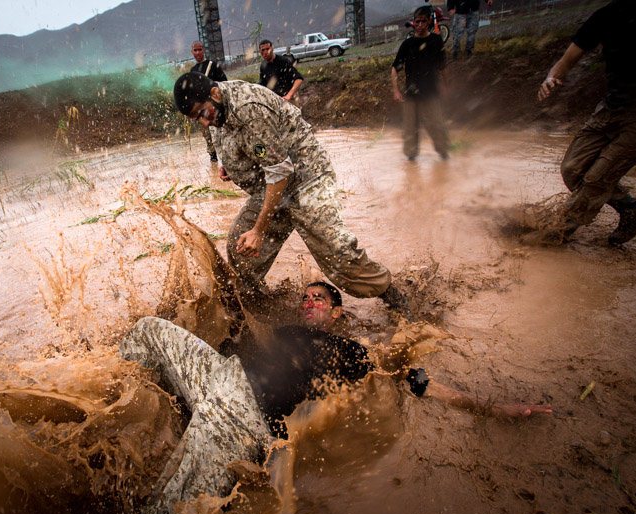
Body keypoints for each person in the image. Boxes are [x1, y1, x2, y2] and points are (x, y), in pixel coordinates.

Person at [119, 281, 552, 514]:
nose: (309, 301)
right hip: (218, 375)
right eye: (305, 297)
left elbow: (408, 377)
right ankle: (129, 408)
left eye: (319, 298)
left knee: (168, 505)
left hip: (242, 411)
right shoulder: (282, 332)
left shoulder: (349, 352)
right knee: (148, 329)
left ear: (337, 312)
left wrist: (491, 407)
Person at [173, 71, 409, 311]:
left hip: (306, 180)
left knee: (339, 257)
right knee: (239, 246)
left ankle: (393, 295)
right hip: (271, 187)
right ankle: (258, 308)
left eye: (202, 114)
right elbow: (236, 139)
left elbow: (280, 172)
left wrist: (259, 230)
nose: (204, 122)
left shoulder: (250, 109)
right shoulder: (216, 109)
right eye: (196, 119)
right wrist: (230, 164)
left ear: (215, 94)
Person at [537, 0, 636, 245]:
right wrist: (552, 77)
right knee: (572, 169)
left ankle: (556, 233)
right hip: (611, 107)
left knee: (597, 179)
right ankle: (632, 209)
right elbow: (569, 58)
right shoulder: (606, 16)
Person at [391, 6, 451, 162]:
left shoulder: (436, 41)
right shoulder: (408, 44)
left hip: (431, 91)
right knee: (410, 129)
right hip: (411, 94)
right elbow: (395, 69)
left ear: (429, 21)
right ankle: (411, 159)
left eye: (423, 21)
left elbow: (442, 66)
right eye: (416, 21)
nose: (419, 24)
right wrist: (396, 90)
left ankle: (443, 154)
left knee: (437, 125)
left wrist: (445, 85)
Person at [189, 40, 228, 163]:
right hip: (202, 109)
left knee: (221, 134)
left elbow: (224, 83)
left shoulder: (213, 65)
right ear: (192, 52)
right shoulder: (193, 70)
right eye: (195, 50)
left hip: (216, 106)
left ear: (203, 50)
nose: (198, 52)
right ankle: (214, 159)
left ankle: (225, 159)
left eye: (200, 49)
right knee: (208, 136)